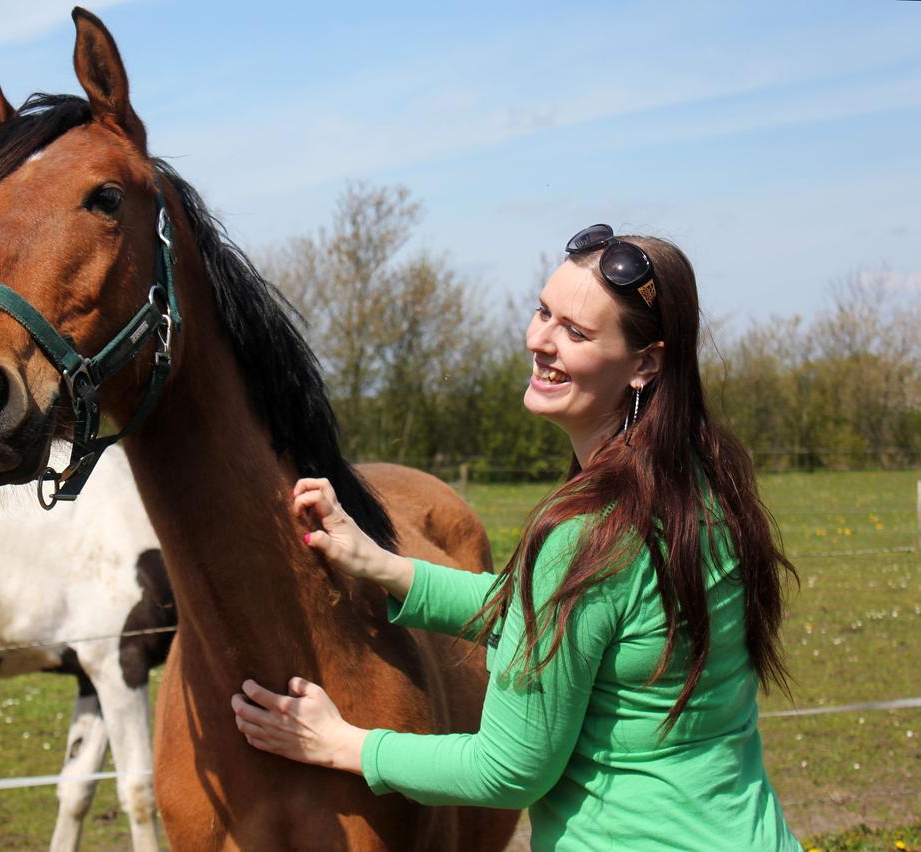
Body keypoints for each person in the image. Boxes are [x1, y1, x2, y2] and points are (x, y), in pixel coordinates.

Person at [231, 224, 801, 850]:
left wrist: (345, 743)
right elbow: (554, 620)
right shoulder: (707, 487)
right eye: (543, 312)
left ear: (645, 363)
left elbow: (507, 770)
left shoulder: (587, 534)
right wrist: (381, 564)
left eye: (575, 333)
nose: (540, 341)